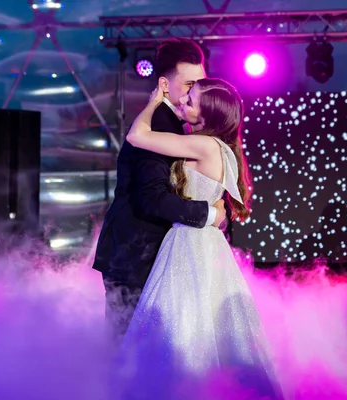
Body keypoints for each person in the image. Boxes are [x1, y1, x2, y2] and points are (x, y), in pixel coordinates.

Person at [110, 78, 284, 399]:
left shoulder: (204, 146)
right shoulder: (219, 148)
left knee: (187, 326)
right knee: (200, 325)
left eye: (190, 100)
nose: (182, 102)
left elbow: (136, 136)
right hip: (200, 243)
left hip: (191, 243)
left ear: (206, 116)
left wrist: (153, 102)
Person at [92, 38, 226, 337]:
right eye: (189, 84)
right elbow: (152, 198)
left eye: (200, 84)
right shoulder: (158, 125)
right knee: (128, 351)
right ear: (165, 85)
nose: (196, 92)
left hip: (147, 254)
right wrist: (209, 215)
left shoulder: (174, 125)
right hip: (135, 256)